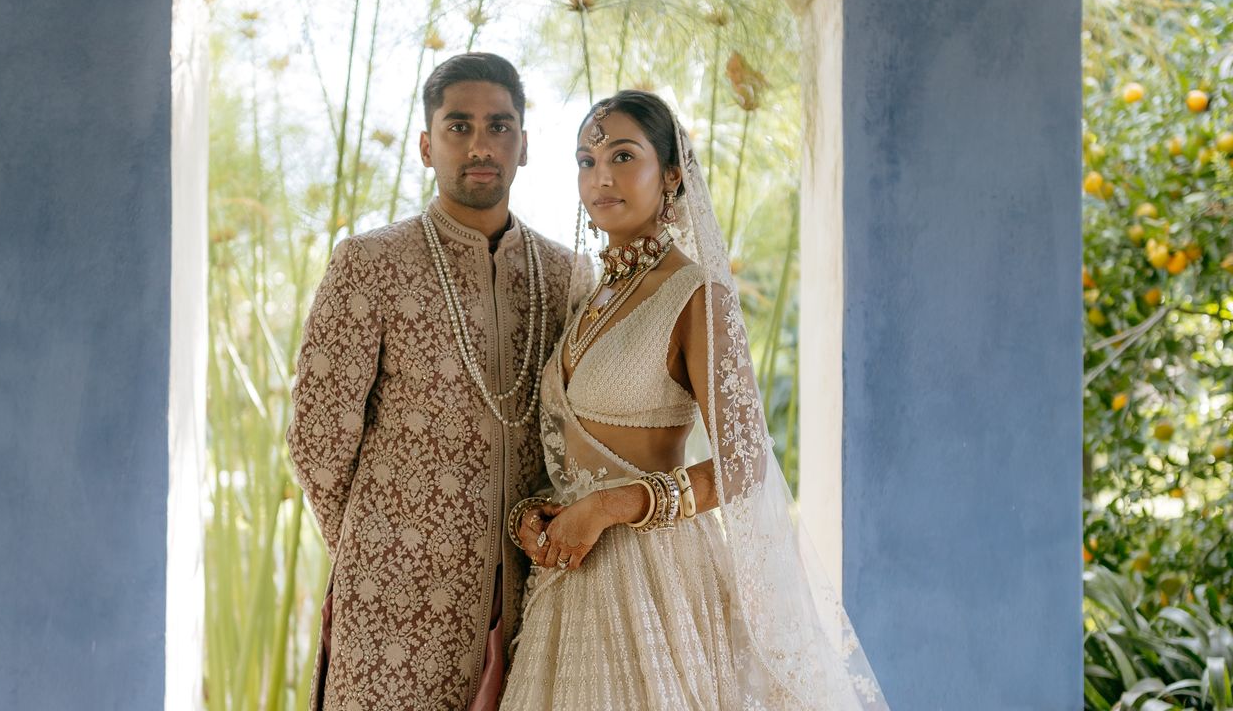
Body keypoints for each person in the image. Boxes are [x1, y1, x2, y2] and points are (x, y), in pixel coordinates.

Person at [498, 91, 888, 709]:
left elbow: (745, 461)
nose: (600, 177)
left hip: (653, 584)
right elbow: (577, 448)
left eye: (623, 156)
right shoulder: (591, 297)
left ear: (672, 175)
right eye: (586, 161)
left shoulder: (696, 295)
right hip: (569, 582)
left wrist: (611, 505)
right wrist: (537, 512)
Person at [287, 52, 574, 711]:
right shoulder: (370, 264)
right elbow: (318, 442)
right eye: (458, 126)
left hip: (527, 600)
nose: (480, 145)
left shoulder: (563, 276)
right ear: (426, 145)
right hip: (390, 603)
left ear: (524, 144)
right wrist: (383, 544)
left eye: (499, 126)